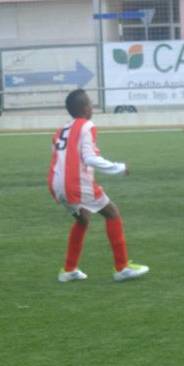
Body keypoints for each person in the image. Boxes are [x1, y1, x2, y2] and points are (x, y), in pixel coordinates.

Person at [48, 89, 149, 282]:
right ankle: (122, 268)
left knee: (82, 219)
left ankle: (68, 269)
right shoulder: (87, 125)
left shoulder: (61, 130)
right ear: (85, 109)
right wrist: (119, 167)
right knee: (112, 212)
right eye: (90, 103)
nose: (92, 105)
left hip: (56, 184)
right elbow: (89, 158)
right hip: (75, 184)